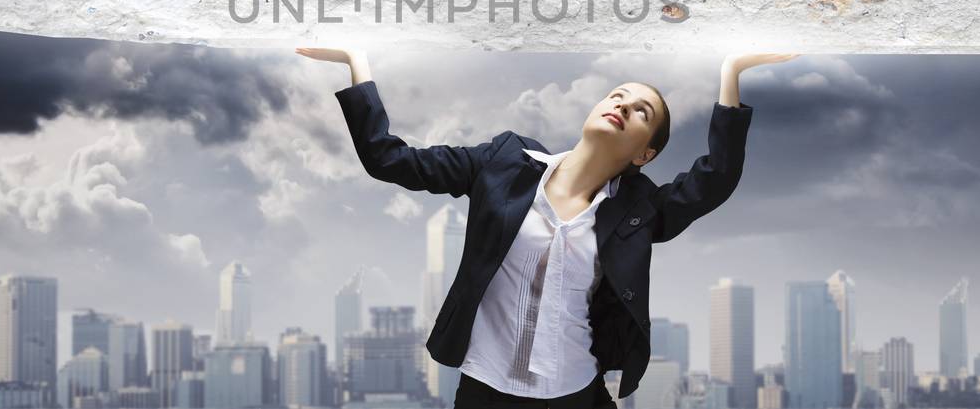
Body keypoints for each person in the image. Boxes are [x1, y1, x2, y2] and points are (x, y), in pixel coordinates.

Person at [296, 46, 798, 409]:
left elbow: (716, 178)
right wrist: (357, 64)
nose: (621, 105)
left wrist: (731, 68)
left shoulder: (638, 211)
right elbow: (392, 161)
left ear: (645, 153)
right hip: (485, 393)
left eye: (640, 110)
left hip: (576, 395)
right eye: (617, 95)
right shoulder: (504, 163)